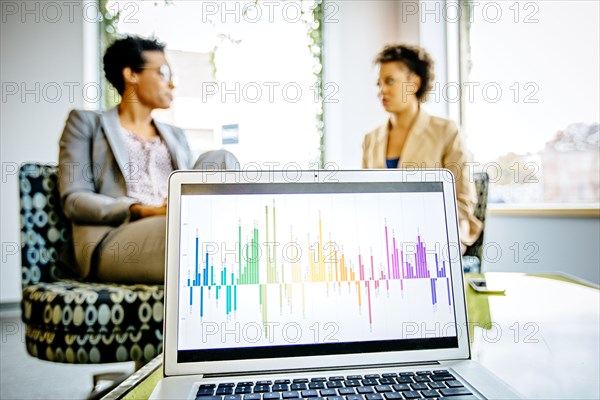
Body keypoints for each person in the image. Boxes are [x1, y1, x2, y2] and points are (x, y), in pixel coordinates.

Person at [58, 35, 239, 283]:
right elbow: (74, 199)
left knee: (220, 158)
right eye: (163, 72)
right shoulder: (85, 123)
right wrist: (145, 211)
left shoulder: (175, 136)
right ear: (131, 74)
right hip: (117, 236)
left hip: (175, 221)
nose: (172, 84)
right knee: (187, 237)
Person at [362, 44, 482, 254]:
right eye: (378, 84)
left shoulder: (446, 131)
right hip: (383, 243)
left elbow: (463, 202)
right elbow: (366, 199)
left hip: (431, 243)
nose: (382, 90)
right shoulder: (370, 139)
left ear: (414, 83)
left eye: (390, 81)